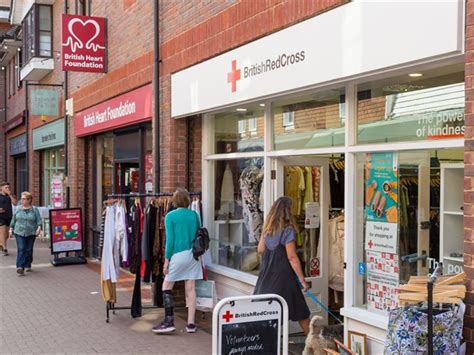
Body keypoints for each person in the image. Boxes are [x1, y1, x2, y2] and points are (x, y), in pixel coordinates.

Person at [254, 196, 311, 335]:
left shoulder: (267, 228)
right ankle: (313, 345)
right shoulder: (287, 230)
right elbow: (292, 257)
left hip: (267, 276)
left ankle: (262, 345)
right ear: (288, 211)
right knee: (302, 313)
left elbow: (260, 249)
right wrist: (303, 281)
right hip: (285, 277)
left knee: (267, 313)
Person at [152, 188, 202, 334]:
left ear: (174, 200)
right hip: (193, 255)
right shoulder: (194, 215)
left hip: (178, 255)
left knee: (166, 286)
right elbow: (198, 234)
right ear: (187, 200)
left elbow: (170, 241)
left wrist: (166, 261)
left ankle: (169, 321)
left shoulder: (170, 216)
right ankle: (191, 324)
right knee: (191, 288)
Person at [9, 192, 42, 275]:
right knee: (21, 248)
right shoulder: (18, 209)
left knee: (29, 249)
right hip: (19, 232)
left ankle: (28, 264)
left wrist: (39, 228)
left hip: (31, 232)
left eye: (24, 199)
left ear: (29, 200)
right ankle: (20, 266)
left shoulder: (34, 209)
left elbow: (38, 220)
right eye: (22, 198)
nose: (22, 200)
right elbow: (14, 220)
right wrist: (10, 229)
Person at [0, 181, 15, 256]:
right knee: (2, 232)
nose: (7, 189)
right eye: (6, 187)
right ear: (1, 188)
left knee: (6, 235)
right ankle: (5, 249)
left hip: (8, 216)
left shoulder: (9, 196)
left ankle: (1, 244)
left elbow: (14, 203)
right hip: (1, 217)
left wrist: (10, 195)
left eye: (8, 187)